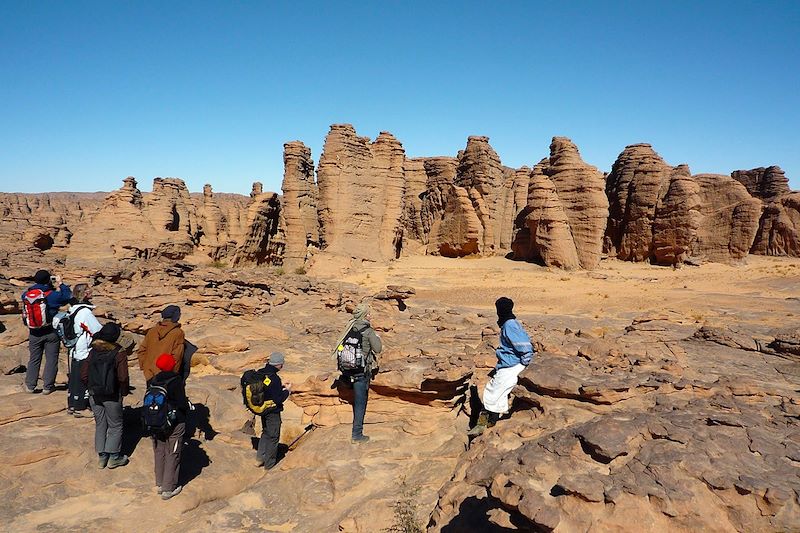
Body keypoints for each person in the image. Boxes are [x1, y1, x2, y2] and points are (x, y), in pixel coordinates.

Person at [468, 297, 534, 436]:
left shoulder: (510, 325)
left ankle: (482, 425)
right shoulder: (509, 323)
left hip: (512, 365)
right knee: (497, 393)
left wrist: (524, 363)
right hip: (510, 364)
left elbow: (524, 345)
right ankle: (491, 423)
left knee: (491, 393)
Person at [80, 322, 130, 469]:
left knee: (100, 423)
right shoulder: (119, 352)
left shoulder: (93, 350)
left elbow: (83, 374)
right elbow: (123, 377)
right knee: (115, 425)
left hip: (94, 394)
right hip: (112, 394)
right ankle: (114, 457)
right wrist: (123, 391)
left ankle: (102, 457)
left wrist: (90, 387)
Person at [332, 303, 382, 444]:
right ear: (365, 315)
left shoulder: (349, 328)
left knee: (354, 397)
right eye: (369, 314)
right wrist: (377, 337)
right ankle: (357, 435)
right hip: (360, 372)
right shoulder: (368, 331)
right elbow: (377, 349)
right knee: (360, 403)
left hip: (347, 372)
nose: (370, 316)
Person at [22, 269, 72, 394]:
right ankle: (47, 386)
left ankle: (30, 385)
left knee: (34, 358)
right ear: (48, 280)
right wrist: (60, 284)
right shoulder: (51, 295)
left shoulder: (26, 295)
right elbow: (67, 296)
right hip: (50, 332)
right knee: (51, 358)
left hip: (34, 332)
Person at [149, 353, 190, 500]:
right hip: (174, 421)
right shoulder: (175, 380)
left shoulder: (153, 379)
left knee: (159, 450)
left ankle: (159, 483)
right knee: (173, 452)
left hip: (156, 420)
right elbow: (180, 402)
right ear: (171, 365)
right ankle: (168, 488)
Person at [66, 283, 102, 416]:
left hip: (74, 348)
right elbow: (96, 330)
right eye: (89, 290)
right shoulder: (85, 312)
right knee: (84, 377)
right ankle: (80, 406)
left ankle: (72, 403)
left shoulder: (72, 308)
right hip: (84, 349)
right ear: (85, 294)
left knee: (75, 376)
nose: (92, 291)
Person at [254, 352, 291, 470]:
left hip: (262, 408)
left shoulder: (261, 372)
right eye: (282, 364)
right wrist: (287, 391)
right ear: (279, 364)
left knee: (265, 432)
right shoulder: (274, 378)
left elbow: (267, 389)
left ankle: (260, 458)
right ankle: (269, 465)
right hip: (272, 411)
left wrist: (280, 387)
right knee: (274, 436)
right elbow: (278, 399)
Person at [136, 305, 185, 385]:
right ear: (176, 316)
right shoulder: (178, 333)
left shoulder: (152, 331)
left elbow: (142, 350)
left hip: (149, 374)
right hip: (166, 375)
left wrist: (145, 367)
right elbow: (177, 356)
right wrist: (174, 373)